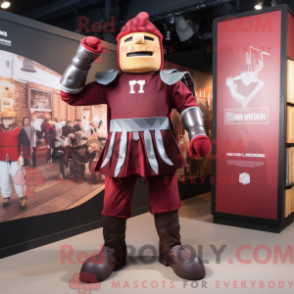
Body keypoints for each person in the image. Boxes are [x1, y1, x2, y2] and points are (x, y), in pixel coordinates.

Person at [60, 12, 211, 282]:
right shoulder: (111, 82)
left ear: (159, 47)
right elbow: (70, 95)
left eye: (147, 38)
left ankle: (171, 247)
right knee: (113, 202)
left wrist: (198, 134)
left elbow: (188, 105)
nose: (139, 41)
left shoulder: (169, 80)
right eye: (131, 38)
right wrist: (82, 57)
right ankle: (112, 250)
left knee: (167, 200)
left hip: (161, 151)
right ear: (120, 47)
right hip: (120, 152)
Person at [0, 108, 30, 208]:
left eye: (9, 118)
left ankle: (22, 196)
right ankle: (6, 196)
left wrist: (23, 157)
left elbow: (26, 144)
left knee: (18, 178)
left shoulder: (19, 129)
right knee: (3, 179)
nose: (7, 120)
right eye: (5, 118)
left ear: (13, 119)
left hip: (16, 158)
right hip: (2, 158)